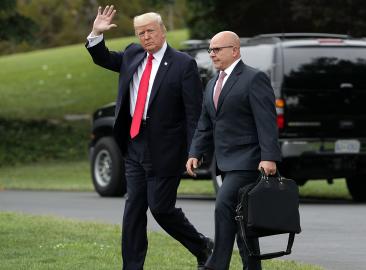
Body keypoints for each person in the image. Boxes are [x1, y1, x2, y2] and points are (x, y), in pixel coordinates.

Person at [85, 5, 213, 270]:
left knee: (161, 208)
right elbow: (104, 58)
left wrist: (195, 151)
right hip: (134, 144)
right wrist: (96, 34)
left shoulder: (183, 64)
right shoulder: (133, 54)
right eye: (140, 32)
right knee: (133, 210)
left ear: (163, 31)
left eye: (150, 31)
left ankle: (201, 245)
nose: (145, 37)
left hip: (166, 148)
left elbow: (194, 113)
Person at [186, 31, 281, 270]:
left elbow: (266, 121)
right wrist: (195, 152)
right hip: (225, 163)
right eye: (210, 50)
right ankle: (253, 267)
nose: (212, 54)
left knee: (223, 205)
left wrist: (269, 157)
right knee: (243, 220)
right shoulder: (211, 84)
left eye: (217, 49)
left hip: (248, 162)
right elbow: (205, 124)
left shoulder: (253, 78)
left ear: (235, 50)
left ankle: (215, 266)